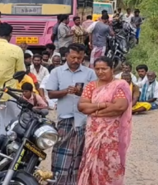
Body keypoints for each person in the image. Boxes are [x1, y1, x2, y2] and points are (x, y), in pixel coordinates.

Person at [46, 43, 97, 185]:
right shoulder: (57, 72)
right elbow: (50, 94)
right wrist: (66, 91)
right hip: (65, 119)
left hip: (84, 119)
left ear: (83, 58)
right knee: (61, 153)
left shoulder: (90, 73)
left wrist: (80, 92)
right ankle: (58, 182)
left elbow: (95, 94)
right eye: (73, 57)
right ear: (66, 56)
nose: (76, 60)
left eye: (79, 58)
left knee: (80, 154)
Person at [77, 57, 132, 185]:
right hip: (93, 132)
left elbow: (119, 107)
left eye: (104, 68)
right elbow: (82, 107)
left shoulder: (119, 85)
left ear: (112, 69)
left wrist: (94, 112)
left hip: (112, 134)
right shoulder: (91, 86)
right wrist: (101, 105)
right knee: (91, 161)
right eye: (97, 69)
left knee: (110, 162)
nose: (100, 72)